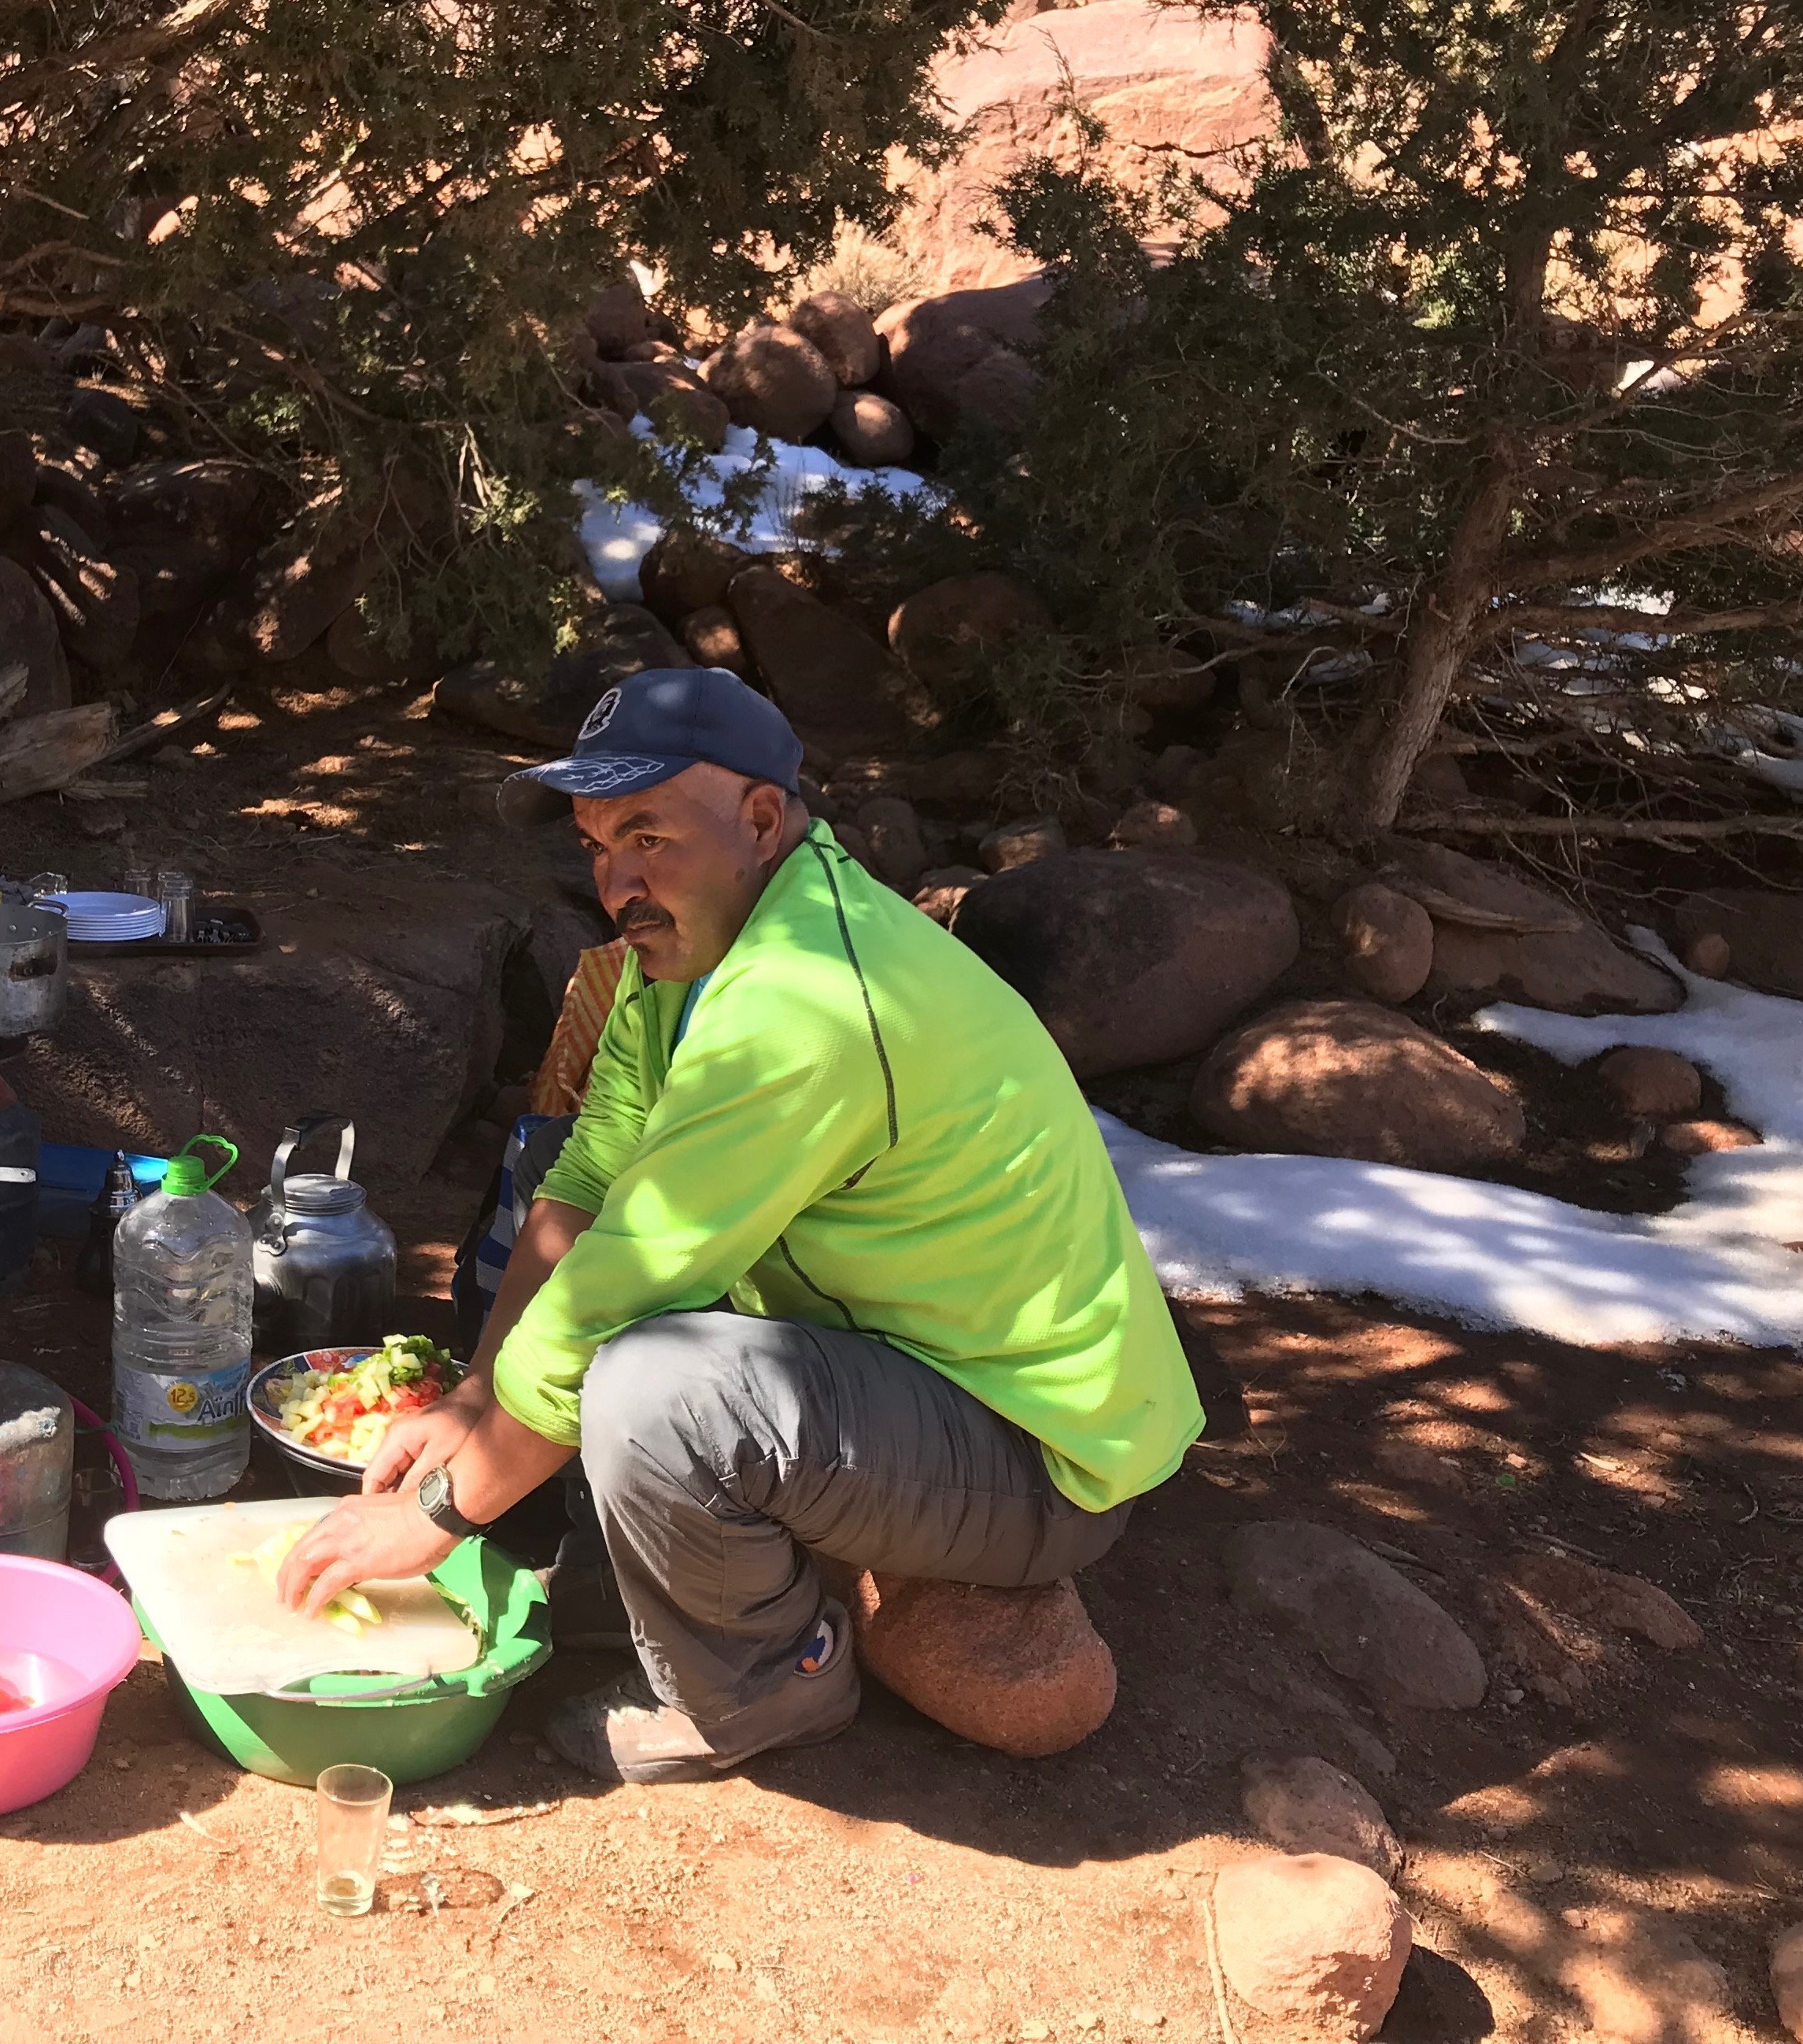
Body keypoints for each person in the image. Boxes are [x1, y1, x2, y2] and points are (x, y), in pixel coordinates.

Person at [277, 667, 1203, 1783]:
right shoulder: (687, 953)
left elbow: (624, 1281)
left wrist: (436, 1512)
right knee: (588, 1358)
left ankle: (768, 1693)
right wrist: (473, 1401)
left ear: (761, 820)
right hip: (898, 1372)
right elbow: (587, 1179)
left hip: (1039, 1445)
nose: (618, 879)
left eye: (648, 835)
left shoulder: (806, 1003)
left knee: (654, 1385)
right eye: (595, 843)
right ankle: (674, 1601)